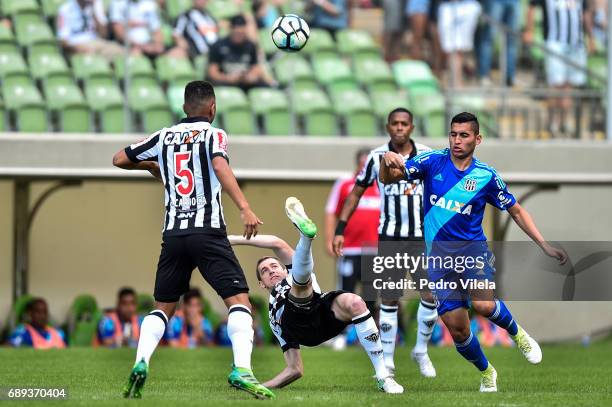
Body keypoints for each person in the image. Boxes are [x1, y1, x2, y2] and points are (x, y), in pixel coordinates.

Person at [380, 111, 567, 392]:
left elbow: (515, 210)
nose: (457, 140)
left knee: (482, 305)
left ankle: (519, 334)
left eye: (464, 135)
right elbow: (390, 178)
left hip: (472, 251)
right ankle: (486, 371)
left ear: (477, 139)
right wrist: (386, 162)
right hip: (438, 258)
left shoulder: (485, 176)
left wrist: (544, 245)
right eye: (453, 134)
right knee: (459, 329)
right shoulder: (432, 162)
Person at [112, 80, 274, 399]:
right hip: (208, 230)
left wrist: (150, 166)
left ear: (184, 107)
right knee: (239, 302)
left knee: (163, 307)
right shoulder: (214, 135)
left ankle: (141, 361)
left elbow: (118, 159)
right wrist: (244, 206)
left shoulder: (164, 136)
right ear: (212, 108)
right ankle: (242, 369)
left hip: (173, 234)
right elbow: (218, 163)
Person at [229, 197, 404, 393]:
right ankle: (306, 238)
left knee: (355, 302)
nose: (271, 271)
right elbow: (295, 369)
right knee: (300, 288)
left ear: (285, 270)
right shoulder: (273, 316)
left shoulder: (293, 271)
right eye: (264, 271)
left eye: (274, 266)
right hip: (300, 327)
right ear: (261, 284)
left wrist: (232, 240)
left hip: (322, 313)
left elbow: (276, 243)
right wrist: (258, 386)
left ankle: (383, 377)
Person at [333, 108, 438, 378]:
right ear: (388, 126)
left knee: (430, 295)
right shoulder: (376, 157)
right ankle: (388, 361)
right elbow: (356, 193)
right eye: (395, 123)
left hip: (420, 237)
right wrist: (340, 229)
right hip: (390, 237)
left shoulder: (428, 155)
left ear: (412, 127)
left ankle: (421, 351)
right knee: (389, 299)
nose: (400, 127)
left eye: (404, 123)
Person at [325, 148, 379, 348]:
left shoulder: (381, 185)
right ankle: (341, 334)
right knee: (345, 293)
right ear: (358, 164)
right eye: (363, 163)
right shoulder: (345, 184)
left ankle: (366, 336)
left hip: (374, 251)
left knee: (370, 296)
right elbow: (331, 212)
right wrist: (329, 239)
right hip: (349, 249)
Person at [524, 0, 595, 135]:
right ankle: (552, 122)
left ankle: (563, 122)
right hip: (554, 42)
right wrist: (529, 30)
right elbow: (532, 6)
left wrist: (591, 37)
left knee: (569, 86)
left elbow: (585, 13)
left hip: (577, 43)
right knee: (556, 84)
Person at [207, 15, 271, 92]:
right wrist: (227, 78)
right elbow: (212, 72)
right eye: (237, 33)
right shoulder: (218, 46)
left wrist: (251, 76)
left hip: (244, 81)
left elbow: (255, 67)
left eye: (242, 34)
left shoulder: (250, 45)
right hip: (226, 82)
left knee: (266, 87)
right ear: (231, 30)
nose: (239, 36)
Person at [57, 0, 124, 60]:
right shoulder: (65, 9)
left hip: (96, 42)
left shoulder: (95, 7)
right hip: (77, 44)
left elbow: (104, 35)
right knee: (93, 55)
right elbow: (63, 41)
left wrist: (94, 11)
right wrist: (77, 49)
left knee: (122, 52)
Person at [437, 0, 482, 87]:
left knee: (459, 49)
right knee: (450, 48)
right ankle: (455, 82)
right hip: (448, 6)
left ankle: (457, 82)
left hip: (467, 5)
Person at [477, 0, 521, 86]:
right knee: (488, 38)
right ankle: (484, 75)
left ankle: (510, 77)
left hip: (514, 2)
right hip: (495, 2)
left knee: (512, 41)